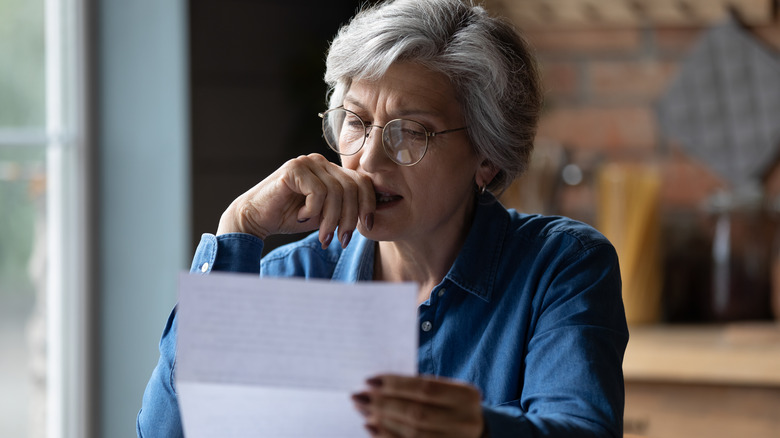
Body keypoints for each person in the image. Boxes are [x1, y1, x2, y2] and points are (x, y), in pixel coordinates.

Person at [137, 0, 629, 437]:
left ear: (487, 155)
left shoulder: (561, 266)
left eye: (410, 132)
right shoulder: (295, 278)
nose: (369, 161)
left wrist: (478, 430)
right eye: (355, 121)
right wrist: (239, 227)